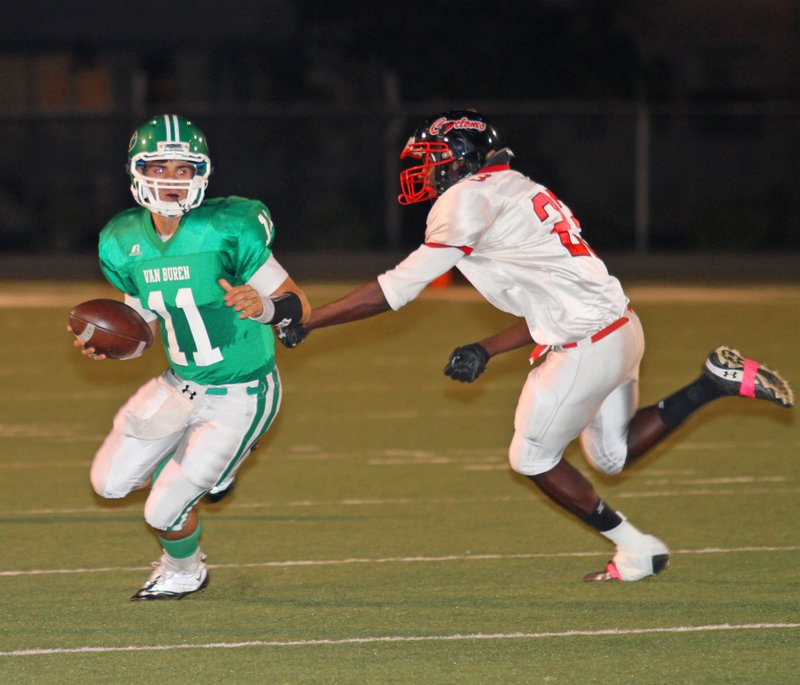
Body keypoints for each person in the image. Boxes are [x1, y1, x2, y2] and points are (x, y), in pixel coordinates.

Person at [276, 109, 794, 582]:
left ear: (464, 159)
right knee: (610, 456)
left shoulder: (467, 199)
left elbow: (395, 288)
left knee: (531, 458)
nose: (427, 173)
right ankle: (712, 383)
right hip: (620, 328)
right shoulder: (519, 188)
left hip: (585, 344)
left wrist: (313, 319)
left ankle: (636, 549)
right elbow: (547, 300)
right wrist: (486, 347)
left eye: (434, 160)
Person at [69, 114, 310, 600]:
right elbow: (145, 317)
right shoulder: (122, 238)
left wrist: (263, 306)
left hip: (240, 393)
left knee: (162, 512)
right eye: (161, 167)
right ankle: (204, 471)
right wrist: (112, 341)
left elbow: (299, 306)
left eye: (184, 169)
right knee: (109, 484)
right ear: (137, 171)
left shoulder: (228, 227)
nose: (172, 180)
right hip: (179, 384)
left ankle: (185, 570)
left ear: (203, 173)